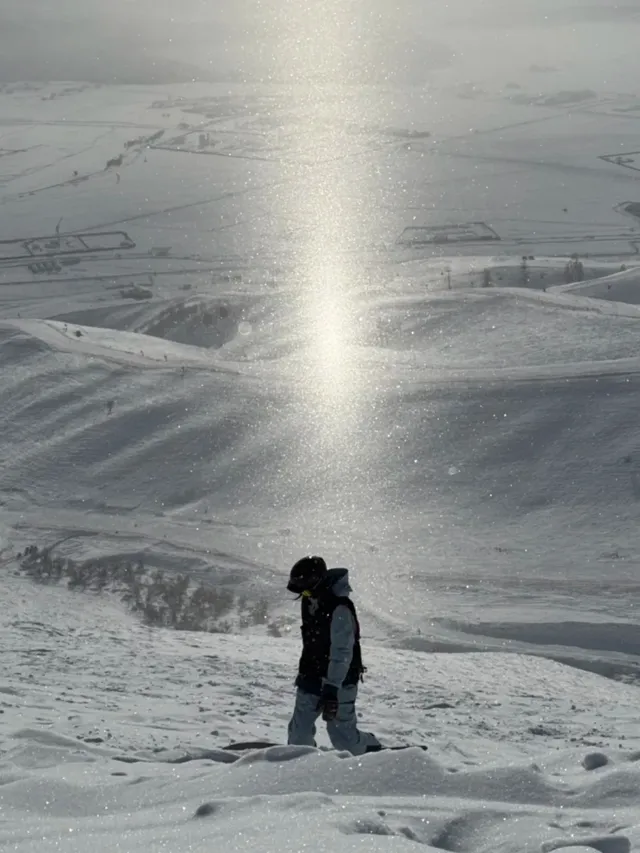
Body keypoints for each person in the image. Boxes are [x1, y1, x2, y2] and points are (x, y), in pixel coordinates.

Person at [286, 556, 381, 755]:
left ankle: (371, 748)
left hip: (340, 682)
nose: (303, 594)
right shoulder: (309, 599)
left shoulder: (339, 609)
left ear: (317, 582)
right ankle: (302, 763)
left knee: (344, 740)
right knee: (298, 736)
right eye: (300, 591)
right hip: (310, 676)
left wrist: (332, 688)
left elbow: (342, 652)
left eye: (305, 589)